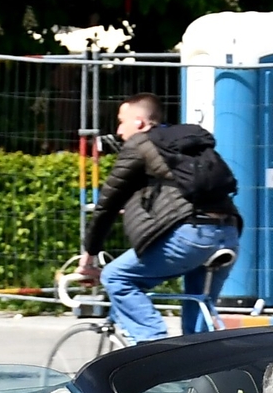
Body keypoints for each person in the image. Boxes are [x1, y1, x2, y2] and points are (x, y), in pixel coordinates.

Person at [77, 92, 242, 340]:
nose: (119, 131)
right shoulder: (186, 144)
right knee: (197, 326)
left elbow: (107, 204)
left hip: (191, 236)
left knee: (116, 277)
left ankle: (154, 354)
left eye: (122, 122)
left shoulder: (140, 144)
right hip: (228, 233)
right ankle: (205, 371)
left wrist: (88, 256)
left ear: (140, 123)